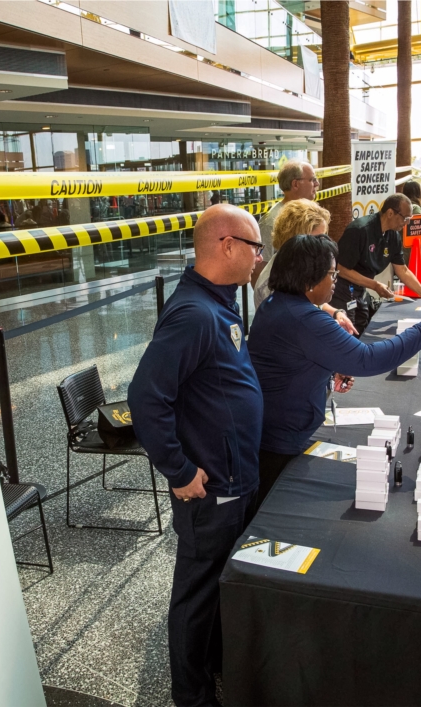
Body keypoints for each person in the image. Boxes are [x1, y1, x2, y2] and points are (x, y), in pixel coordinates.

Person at [128, 204, 263, 707]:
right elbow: (146, 398)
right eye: (254, 247)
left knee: (212, 592)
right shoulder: (193, 313)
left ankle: (210, 670)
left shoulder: (219, 303)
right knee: (196, 594)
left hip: (233, 476)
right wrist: (180, 470)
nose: (259, 258)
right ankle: (192, 696)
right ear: (226, 244)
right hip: (211, 487)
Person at [250, 235, 421, 507]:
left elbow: (292, 360)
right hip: (281, 440)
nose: (335, 280)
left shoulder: (279, 303)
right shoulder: (306, 318)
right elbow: (366, 359)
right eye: (331, 274)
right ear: (309, 277)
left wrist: (330, 368)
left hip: (273, 429)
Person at [331, 194, 421, 334]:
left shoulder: (393, 236)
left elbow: (403, 270)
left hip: (360, 289)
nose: (407, 223)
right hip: (341, 289)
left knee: (362, 323)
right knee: (348, 330)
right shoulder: (360, 230)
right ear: (390, 213)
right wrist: (375, 285)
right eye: (405, 218)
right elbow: (341, 269)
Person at [251, 201, 357, 335]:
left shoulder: (295, 267)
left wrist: (335, 313)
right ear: (299, 238)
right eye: (318, 238)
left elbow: (308, 302)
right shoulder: (272, 282)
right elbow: (292, 328)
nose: (324, 243)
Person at [257, 161, 318, 265]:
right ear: (295, 184)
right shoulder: (271, 221)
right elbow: (260, 267)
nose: (317, 184)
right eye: (312, 180)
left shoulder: (310, 214)